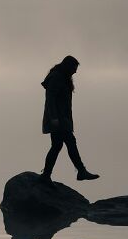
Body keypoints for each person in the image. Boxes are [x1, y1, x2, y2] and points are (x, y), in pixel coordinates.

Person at [40, 55, 100, 184]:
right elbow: (50, 99)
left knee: (57, 146)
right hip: (58, 120)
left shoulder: (63, 77)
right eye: (74, 68)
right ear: (68, 66)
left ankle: (46, 175)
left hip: (62, 119)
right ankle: (81, 171)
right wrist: (54, 118)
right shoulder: (56, 77)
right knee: (69, 143)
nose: (75, 71)